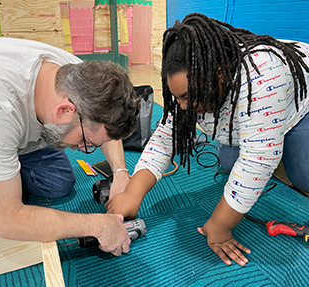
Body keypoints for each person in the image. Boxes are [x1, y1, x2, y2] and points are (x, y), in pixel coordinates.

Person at [106, 13, 309, 264]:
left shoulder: (265, 77)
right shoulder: (194, 83)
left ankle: (278, 137)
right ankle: (269, 135)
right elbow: (164, 139)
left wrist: (220, 227)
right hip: (252, 110)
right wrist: (133, 193)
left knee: (303, 174)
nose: (181, 107)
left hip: (299, 105)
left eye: (187, 97)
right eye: (177, 97)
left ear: (220, 74)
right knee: (230, 165)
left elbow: (258, 162)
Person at [0, 36, 140, 256]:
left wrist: (120, 172)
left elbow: (105, 123)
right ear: (65, 111)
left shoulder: (82, 77)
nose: (83, 149)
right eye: (85, 143)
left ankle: (0, 167)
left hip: (10, 129)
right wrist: (97, 225)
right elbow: (5, 220)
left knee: (59, 183)